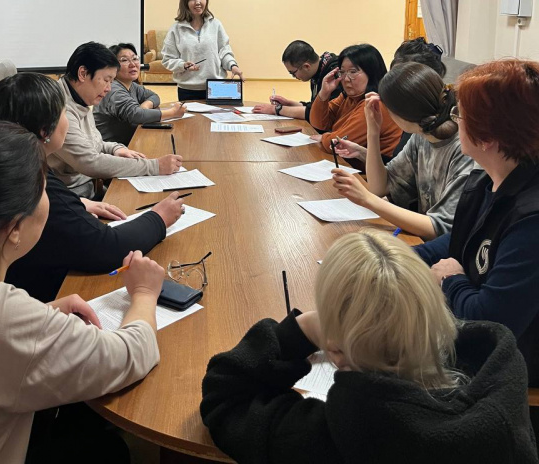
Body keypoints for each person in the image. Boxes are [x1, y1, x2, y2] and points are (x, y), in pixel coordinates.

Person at [201, 230, 537, 464]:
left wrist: (302, 328)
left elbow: (224, 398)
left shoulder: (335, 437)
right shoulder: (500, 384)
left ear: (335, 351)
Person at [0, 121, 166, 464]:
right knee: (107, 451)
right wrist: (146, 292)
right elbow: (131, 355)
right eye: (46, 188)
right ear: (14, 227)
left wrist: (41, 315)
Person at [0, 72, 186, 302]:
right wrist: (159, 217)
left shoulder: (0, 165)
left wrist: (79, 203)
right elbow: (107, 248)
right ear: (44, 131)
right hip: (39, 298)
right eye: (64, 113)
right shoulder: (35, 185)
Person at [416, 59, 539, 401]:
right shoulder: (487, 182)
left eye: (460, 114)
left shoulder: (531, 219)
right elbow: (456, 244)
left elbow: (492, 325)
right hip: (469, 350)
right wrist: (392, 260)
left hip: (508, 385)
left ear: (487, 136)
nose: (455, 121)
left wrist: (451, 279)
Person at [332, 63, 474, 239]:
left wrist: (367, 199)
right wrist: (373, 131)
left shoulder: (464, 149)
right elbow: (380, 187)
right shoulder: (421, 137)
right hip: (423, 241)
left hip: (439, 249)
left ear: (403, 114)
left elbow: (440, 228)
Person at [48, 41, 182, 197]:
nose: (108, 89)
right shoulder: (59, 108)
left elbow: (91, 143)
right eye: (106, 80)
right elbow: (90, 162)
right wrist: (155, 166)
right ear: (83, 74)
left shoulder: (79, 97)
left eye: (111, 82)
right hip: (70, 195)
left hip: (89, 185)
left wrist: (115, 149)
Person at [308, 43, 401, 163]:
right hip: (348, 164)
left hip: (369, 171)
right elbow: (318, 123)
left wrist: (324, 137)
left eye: (353, 72)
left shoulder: (375, 103)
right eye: (342, 72)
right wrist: (324, 93)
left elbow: (336, 144)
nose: (346, 79)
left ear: (371, 73)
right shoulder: (349, 97)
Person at [161, 0, 243, 100]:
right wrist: (183, 65)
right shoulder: (176, 29)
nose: (198, 2)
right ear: (185, 2)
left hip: (216, 87)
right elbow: (167, 59)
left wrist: (232, 65)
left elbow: (224, 51)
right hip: (188, 90)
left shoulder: (216, 25)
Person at [94, 42, 185, 145]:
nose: (133, 64)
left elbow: (154, 96)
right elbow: (136, 115)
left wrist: (145, 106)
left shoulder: (131, 85)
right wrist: (173, 112)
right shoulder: (113, 89)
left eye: (135, 58)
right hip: (112, 149)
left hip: (130, 142)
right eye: (124, 60)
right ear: (113, 66)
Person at [252, 40, 342, 128]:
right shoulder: (318, 71)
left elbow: (316, 113)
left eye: (293, 73)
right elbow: (314, 106)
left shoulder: (334, 76)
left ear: (306, 66)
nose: (294, 77)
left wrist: (276, 109)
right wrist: (288, 103)